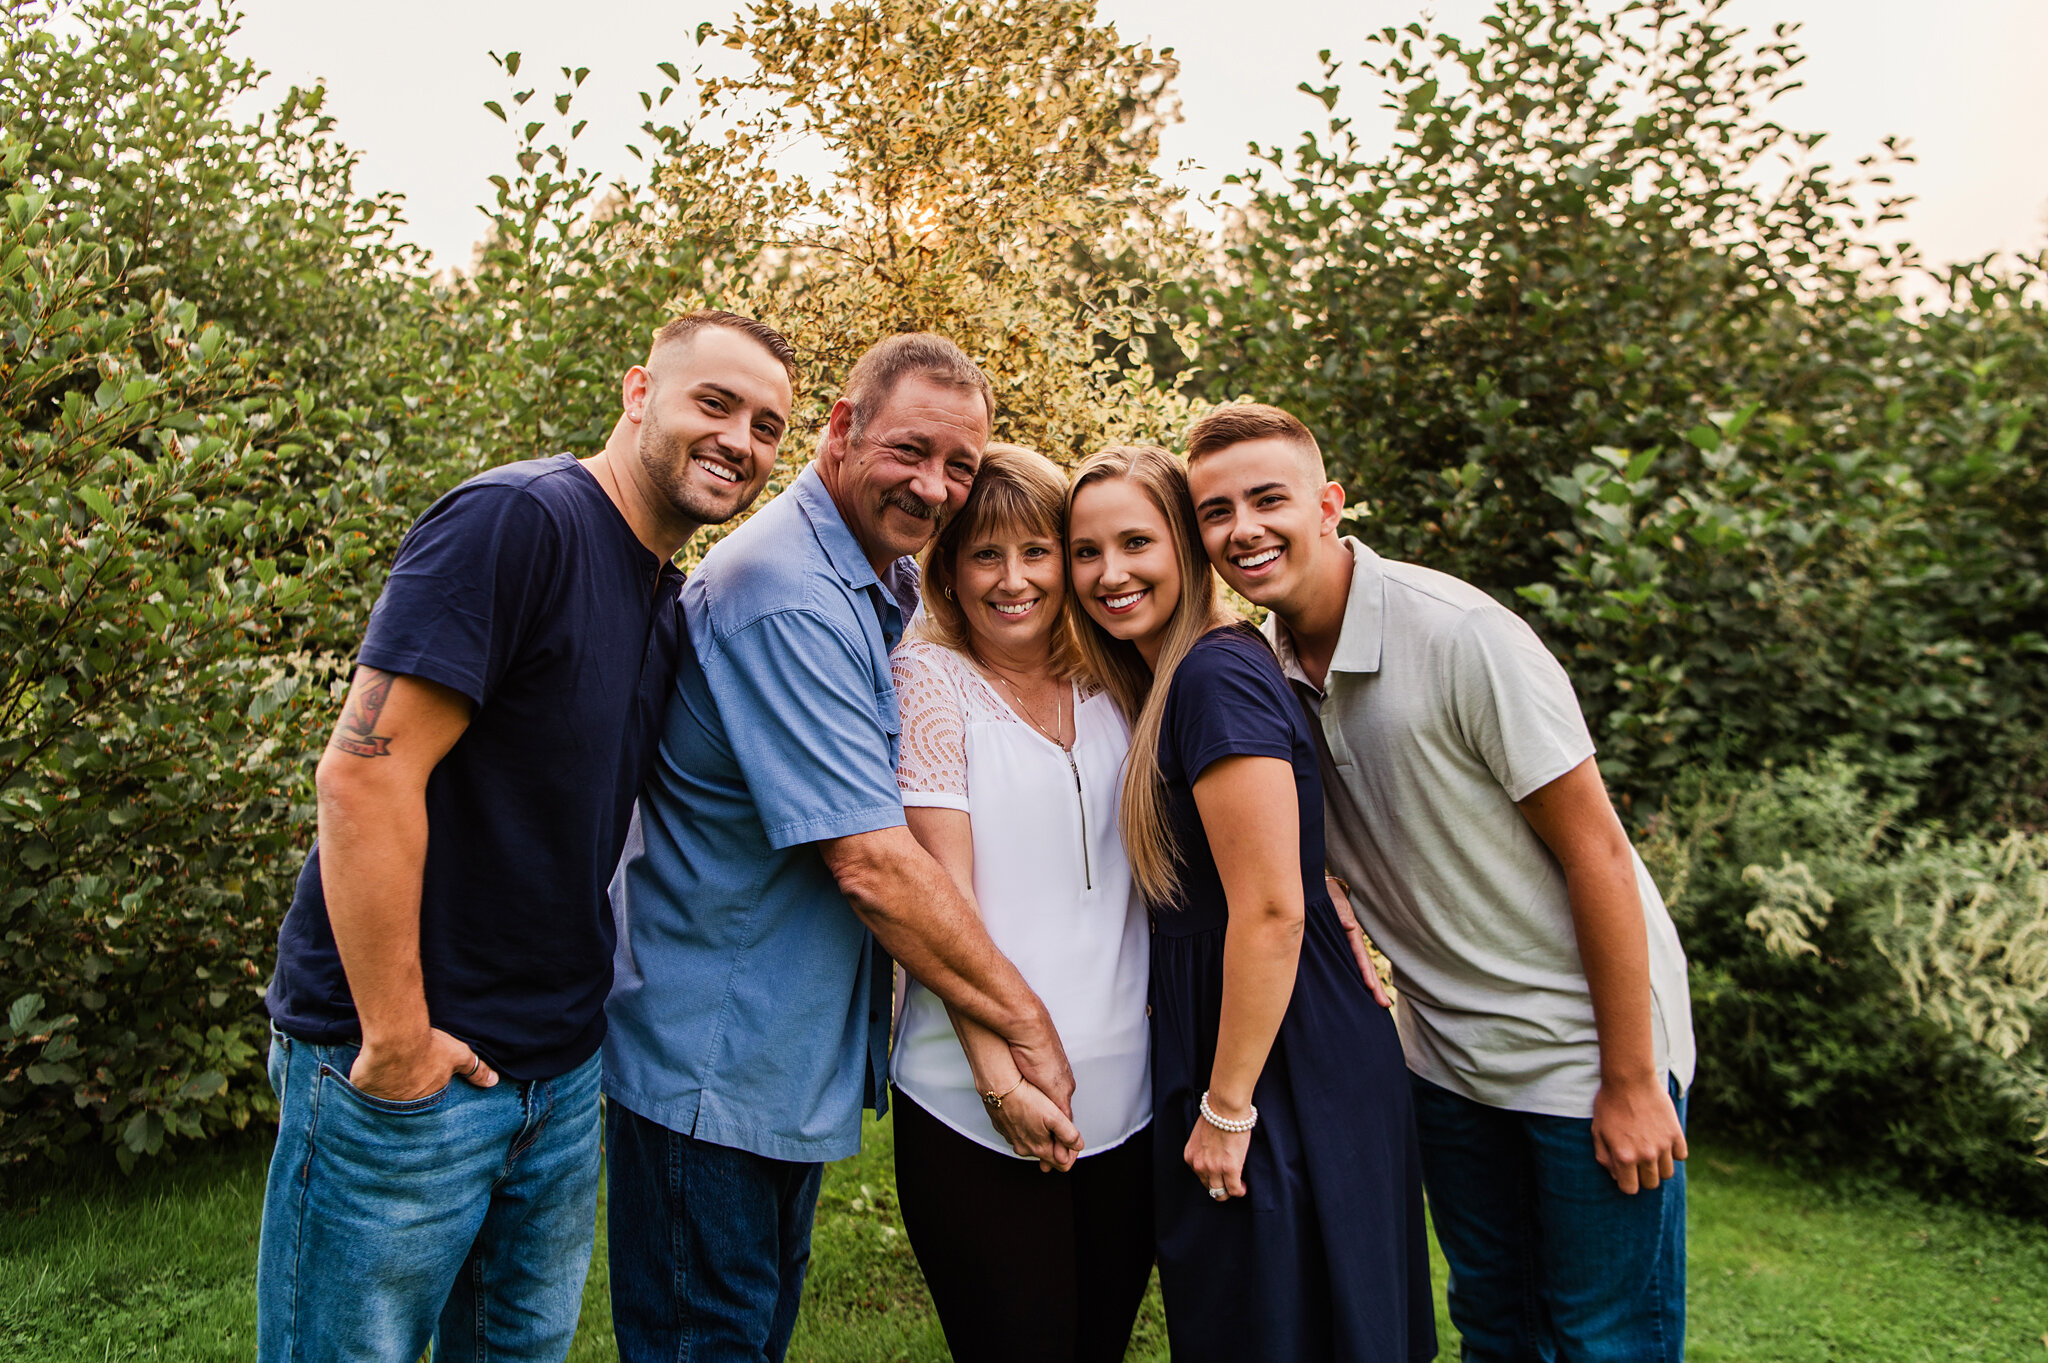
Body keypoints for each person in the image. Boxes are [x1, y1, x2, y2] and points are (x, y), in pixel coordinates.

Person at [255, 311, 796, 1363]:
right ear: (639, 392)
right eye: (714, 403)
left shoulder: (662, 590)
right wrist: (397, 1039)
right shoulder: (519, 522)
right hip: (410, 1070)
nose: (739, 439)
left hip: (556, 1072)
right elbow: (364, 774)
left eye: (766, 424)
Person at [1184, 402, 1695, 1363]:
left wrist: (1630, 1078)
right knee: (1494, 1328)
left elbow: (1600, 853)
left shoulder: (1461, 636)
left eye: (1268, 499)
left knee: (1604, 1340)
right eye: (1216, 512)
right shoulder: (1271, 670)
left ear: (1328, 503)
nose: (1242, 528)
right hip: (1446, 1061)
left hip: (1581, 1053)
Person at [603, 334, 1077, 1363]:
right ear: (841, 429)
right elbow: (868, 859)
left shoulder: (871, 578)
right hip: (711, 1062)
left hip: (771, 1060)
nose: (935, 485)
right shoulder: (787, 594)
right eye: (910, 450)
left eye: (960, 464)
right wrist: (1023, 1025)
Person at [1065, 445, 1436, 1363]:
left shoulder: (1210, 676)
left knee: (1285, 1327)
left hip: (1279, 1057)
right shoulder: (1171, 678)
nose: (1110, 574)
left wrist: (1229, 1108)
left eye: (1137, 543)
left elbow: (1272, 908)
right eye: (1085, 550)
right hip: (1245, 1033)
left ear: (1188, 549)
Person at [888, 444, 1154, 1363]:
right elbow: (941, 903)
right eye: (985, 556)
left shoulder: (1117, 676)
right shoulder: (929, 682)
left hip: (1131, 1099)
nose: (1015, 580)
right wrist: (1000, 1081)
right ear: (950, 575)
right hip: (972, 1099)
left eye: (1038, 551)